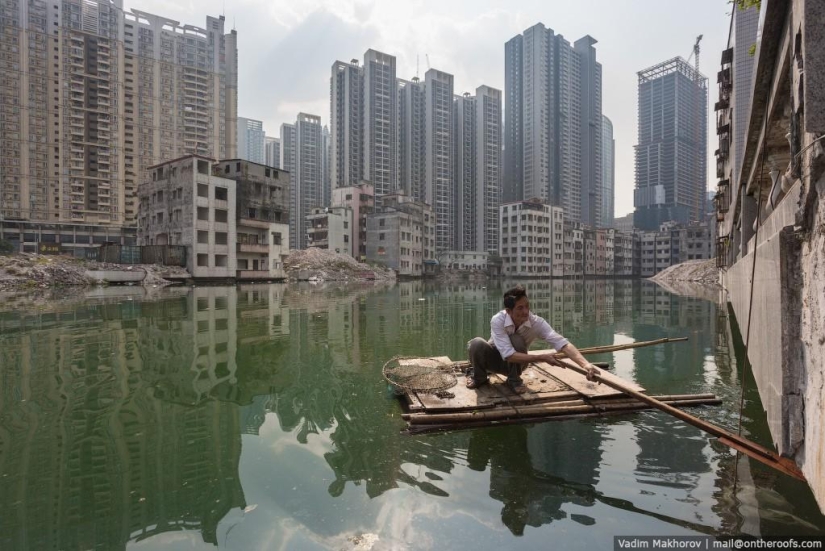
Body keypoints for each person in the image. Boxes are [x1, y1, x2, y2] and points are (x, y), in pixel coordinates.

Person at [466, 285, 600, 394]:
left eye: (527, 306)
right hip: (494, 361)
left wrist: (585, 365)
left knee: (517, 340)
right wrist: (542, 357)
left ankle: (514, 380)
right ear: (508, 311)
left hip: (517, 365)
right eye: (520, 308)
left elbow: (562, 343)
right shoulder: (498, 320)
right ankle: (480, 378)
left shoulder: (536, 322)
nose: (526, 311)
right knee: (476, 343)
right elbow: (508, 355)